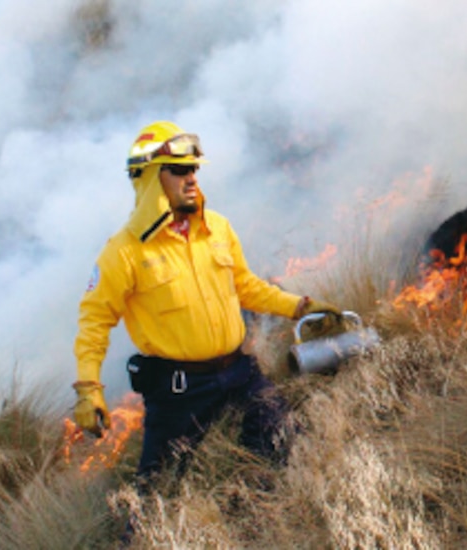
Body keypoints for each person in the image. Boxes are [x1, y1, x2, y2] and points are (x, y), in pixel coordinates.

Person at [72, 120, 340, 483]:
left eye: (194, 169)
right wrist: (89, 390)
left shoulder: (217, 228)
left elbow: (245, 286)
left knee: (285, 443)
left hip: (240, 373)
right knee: (158, 490)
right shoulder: (123, 253)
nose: (192, 178)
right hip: (178, 390)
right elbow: (94, 320)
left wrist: (300, 307)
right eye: (180, 170)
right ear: (150, 178)